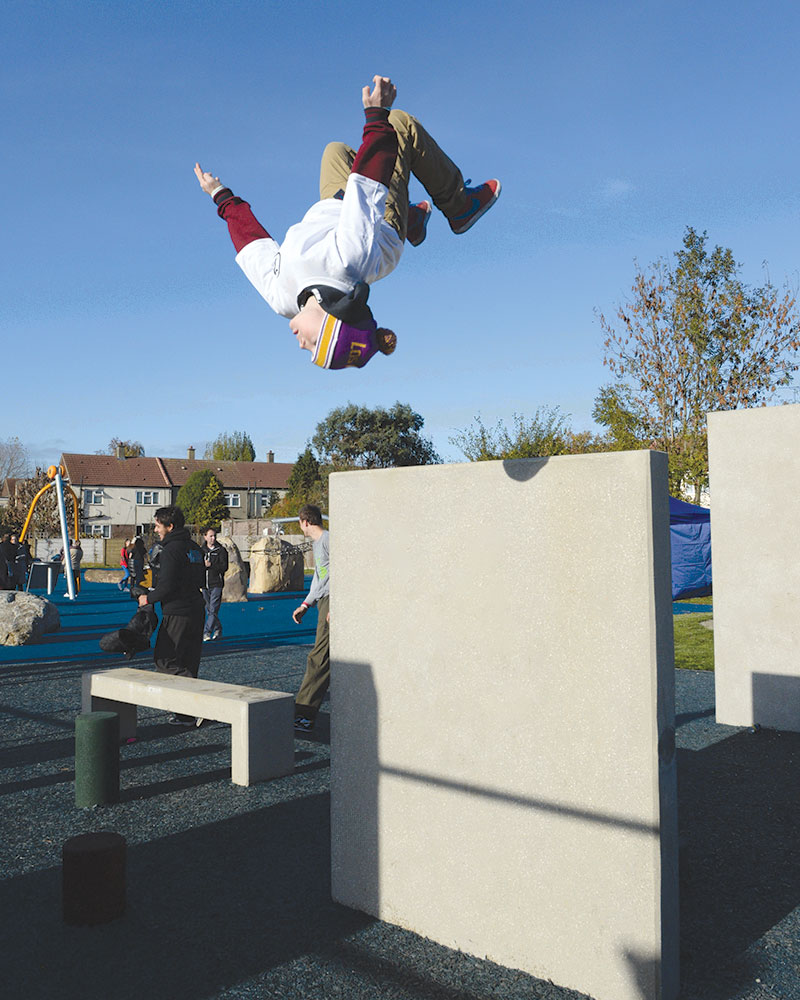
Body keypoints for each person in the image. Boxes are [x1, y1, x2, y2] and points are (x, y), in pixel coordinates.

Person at [194, 75, 500, 371]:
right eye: (315, 345)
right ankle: (458, 207)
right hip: (381, 225)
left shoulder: (281, 299)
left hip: (334, 210)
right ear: (332, 321)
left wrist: (221, 196)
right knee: (400, 125)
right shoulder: (348, 260)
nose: (301, 346)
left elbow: (252, 245)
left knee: (335, 152)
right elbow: (368, 187)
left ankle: (414, 221)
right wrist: (377, 116)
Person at [137, 505, 205, 727]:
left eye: (158, 525)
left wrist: (148, 598)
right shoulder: (194, 548)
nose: (155, 530)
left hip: (177, 611)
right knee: (188, 659)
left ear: (170, 526)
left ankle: (203, 698)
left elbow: (166, 585)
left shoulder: (171, 550)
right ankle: (186, 714)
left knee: (165, 659)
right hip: (196, 609)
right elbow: (199, 579)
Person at [291, 504, 330, 734]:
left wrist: (339, 605)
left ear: (305, 522)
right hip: (324, 600)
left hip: (332, 602)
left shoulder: (327, 540)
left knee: (319, 658)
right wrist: (306, 604)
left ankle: (304, 716)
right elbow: (321, 577)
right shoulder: (318, 544)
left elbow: (346, 570)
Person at [200, 527, 229, 641]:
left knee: (213, 609)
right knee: (209, 610)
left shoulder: (221, 550)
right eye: (210, 536)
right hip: (204, 585)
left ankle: (206, 632)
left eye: (214, 536)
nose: (213, 538)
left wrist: (211, 565)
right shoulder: (201, 550)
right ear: (205, 537)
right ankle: (218, 628)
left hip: (216, 583)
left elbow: (224, 567)